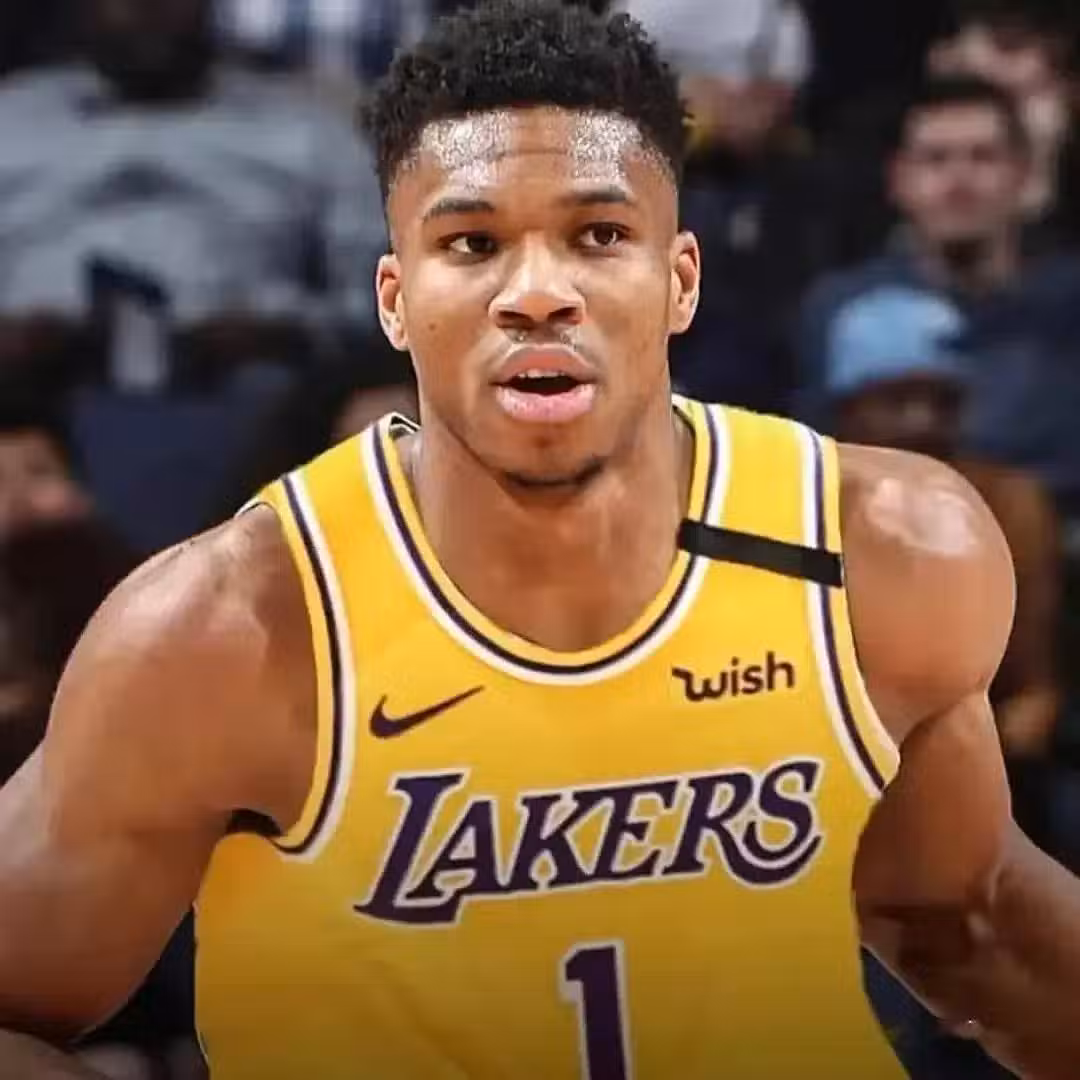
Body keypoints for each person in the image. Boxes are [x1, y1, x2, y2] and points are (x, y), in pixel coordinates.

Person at [1, 4, 1080, 1079]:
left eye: (598, 235)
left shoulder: (876, 551)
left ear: (681, 280)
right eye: (472, 245)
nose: (537, 295)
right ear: (395, 301)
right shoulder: (229, 628)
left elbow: (974, 927)